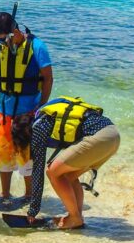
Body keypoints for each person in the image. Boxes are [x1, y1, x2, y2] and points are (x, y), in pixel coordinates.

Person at [0, 10, 53, 202]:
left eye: (2, 39)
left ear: (14, 31)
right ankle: (5, 194)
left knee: (27, 157)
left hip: (28, 112)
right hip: (3, 112)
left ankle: (29, 195)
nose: (0, 43)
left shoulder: (37, 47)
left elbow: (48, 78)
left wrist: (41, 108)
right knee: (2, 156)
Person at [27, 96, 120, 229]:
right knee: (68, 175)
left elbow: (38, 170)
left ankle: (75, 218)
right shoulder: (51, 114)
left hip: (99, 138)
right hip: (113, 135)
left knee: (52, 172)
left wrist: (33, 210)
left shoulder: (38, 128)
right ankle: (77, 217)